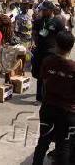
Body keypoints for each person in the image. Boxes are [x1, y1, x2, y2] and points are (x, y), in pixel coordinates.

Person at [32, 31, 75, 165]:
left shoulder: (47, 61)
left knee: (43, 142)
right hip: (67, 112)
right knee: (64, 145)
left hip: (48, 108)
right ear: (71, 47)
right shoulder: (73, 67)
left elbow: (44, 82)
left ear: (56, 45)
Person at [32, 1, 65, 103]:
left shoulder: (58, 22)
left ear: (51, 10)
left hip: (52, 52)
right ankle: (39, 97)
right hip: (39, 51)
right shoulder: (38, 21)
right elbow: (34, 33)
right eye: (42, 10)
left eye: (45, 10)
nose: (43, 12)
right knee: (39, 74)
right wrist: (34, 43)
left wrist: (61, 51)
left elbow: (62, 36)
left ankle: (50, 95)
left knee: (51, 74)